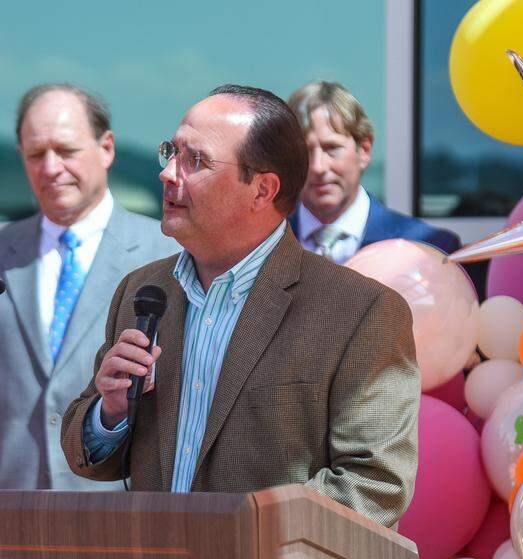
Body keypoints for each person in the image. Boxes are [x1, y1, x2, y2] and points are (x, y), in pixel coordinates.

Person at [61, 85, 420, 527]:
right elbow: (89, 453)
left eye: (196, 161)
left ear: (262, 190)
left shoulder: (361, 311)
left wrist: (232, 535)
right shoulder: (142, 291)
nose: (168, 174)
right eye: (172, 152)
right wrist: (110, 411)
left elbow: (374, 484)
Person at [0, 84, 175, 491]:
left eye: (66, 150)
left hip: (120, 519)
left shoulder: (168, 254)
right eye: (36, 154)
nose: (50, 168)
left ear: (106, 148)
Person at [286, 81, 462, 264]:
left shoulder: (428, 249)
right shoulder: (261, 245)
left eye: (331, 148)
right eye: (304, 151)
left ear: (364, 150)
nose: (318, 167)